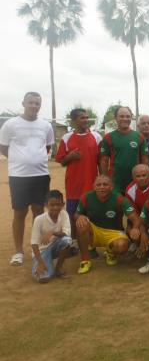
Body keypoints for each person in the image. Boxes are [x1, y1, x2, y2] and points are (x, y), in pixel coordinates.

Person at [0, 92, 54, 266]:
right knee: (19, 213)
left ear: (40, 105)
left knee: (38, 213)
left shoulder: (45, 126)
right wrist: (21, 160)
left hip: (40, 175)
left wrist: (34, 160)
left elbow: (46, 147)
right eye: (31, 103)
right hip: (19, 176)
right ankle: (18, 252)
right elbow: (4, 148)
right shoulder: (10, 124)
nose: (34, 106)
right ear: (23, 103)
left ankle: (35, 247)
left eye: (37, 103)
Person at [75, 175, 141, 273]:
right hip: (95, 231)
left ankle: (110, 252)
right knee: (81, 225)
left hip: (113, 232)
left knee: (122, 246)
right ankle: (85, 260)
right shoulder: (86, 197)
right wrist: (79, 216)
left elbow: (134, 217)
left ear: (111, 186)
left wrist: (135, 228)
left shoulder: (119, 199)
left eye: (105, 184)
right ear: (94, 186)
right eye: (99, 185)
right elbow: (77, 214)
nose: (102, 187)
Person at [56, 108, 102, 233]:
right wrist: (70, 156)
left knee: (92, 212)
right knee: (73, 213)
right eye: (82, 117)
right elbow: (61, 161)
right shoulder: (66, 138)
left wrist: (102, 178)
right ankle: (74, 240)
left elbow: (101, 160)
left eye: (87, 117)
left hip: (91, 182)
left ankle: (92, 241)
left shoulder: (96, 137)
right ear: (74, 120)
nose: (86, 120)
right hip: (73, 183)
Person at [99, 106, 149, 193]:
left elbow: (145, 159)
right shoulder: (108, 137)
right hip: (115, 182)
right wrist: (104, 179)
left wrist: (147, 178)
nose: (125, 119)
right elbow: (104, 160)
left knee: (134, 206)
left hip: (136, 182)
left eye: (127, 116)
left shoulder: (139, 137)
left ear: (131, 118)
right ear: (116, 118)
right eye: (121, 116)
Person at [30, 190, 72, 283]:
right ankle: (46, 265)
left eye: (58, 204)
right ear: (46, 205)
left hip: (55, 246)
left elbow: (67, 233)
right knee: (44, 278)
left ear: (63, 204)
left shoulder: (64, 214)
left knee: (67, 240)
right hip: (42, 250)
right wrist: (40, 263)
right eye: (52, 205)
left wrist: (52, 232)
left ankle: (59, 267)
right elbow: (34, 244)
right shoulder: (39, 219)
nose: (55, 207)